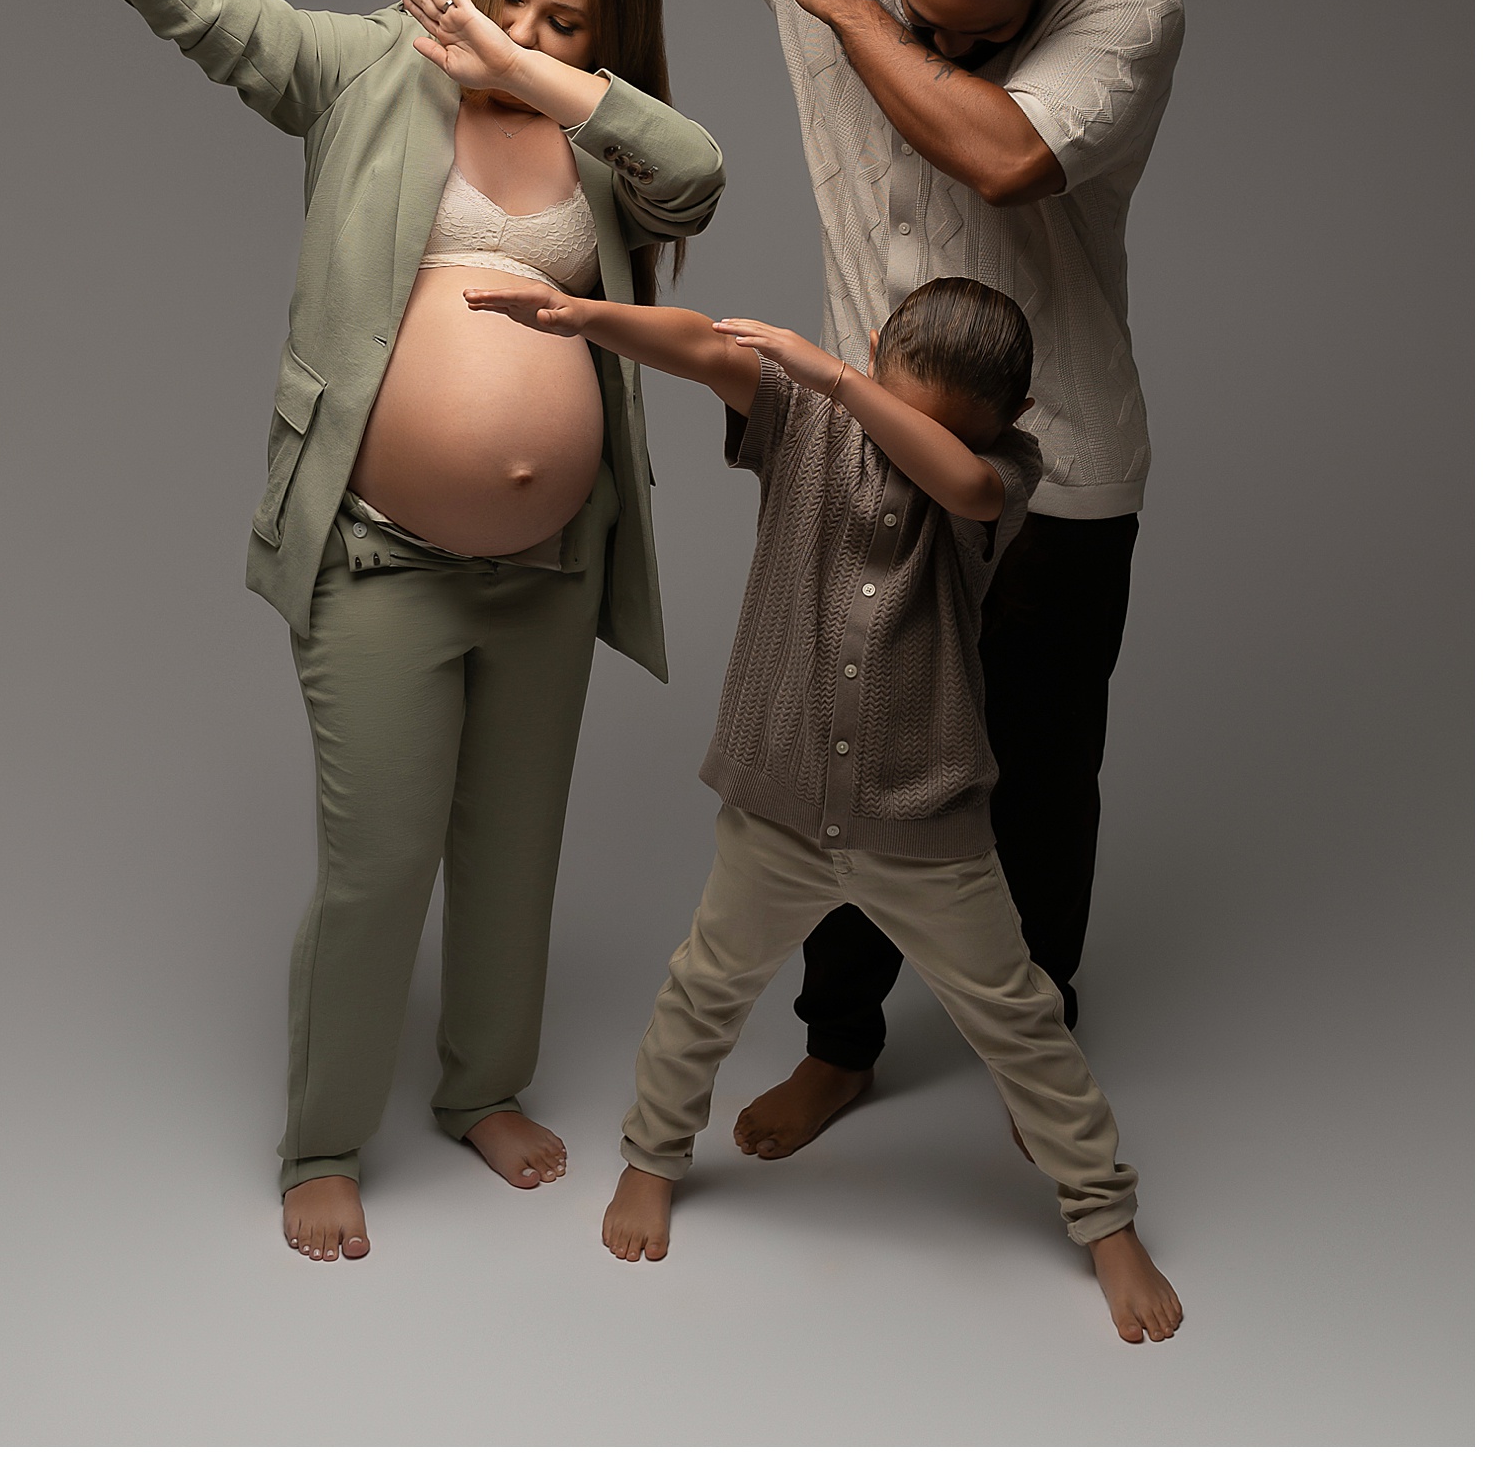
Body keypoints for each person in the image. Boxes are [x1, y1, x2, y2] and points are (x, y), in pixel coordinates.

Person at [316, 0, 1185, 1154]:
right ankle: (838, 1046)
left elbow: (1000, 156)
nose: (920, 32)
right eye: (909, 5)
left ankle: (1038, 1053)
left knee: (1034, 769)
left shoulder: (1125, 6)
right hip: (860, 439)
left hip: (1061, 465)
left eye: (965, 33)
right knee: (853, 743)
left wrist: (844, 8)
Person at [0, 0, 725, 1265]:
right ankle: (322, 1137)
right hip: (381, 560)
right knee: (376, 865)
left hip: (553, 567)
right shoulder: (372, 72)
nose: (526, 32)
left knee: (516, 848)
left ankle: (481, 1089)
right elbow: (210, 9)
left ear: (604, 40)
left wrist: (543, 89)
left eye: (568, 24)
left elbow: (699, 172)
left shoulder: (604, 147)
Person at [466, 271, 1182, 1343]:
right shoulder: (800, 414)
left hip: (923, 820)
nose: (901, 436)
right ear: (886, 350)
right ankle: (652, 1159)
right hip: (782, 801)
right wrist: (588, 320)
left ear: (1006, 425)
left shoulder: (998, 467)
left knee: (1023, 1023)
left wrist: (843, 379)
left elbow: (967, 488)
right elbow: (704, 348)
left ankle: (1106, 1218)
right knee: (704, 990)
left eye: (937, 422)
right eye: (897, 396)